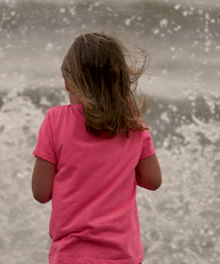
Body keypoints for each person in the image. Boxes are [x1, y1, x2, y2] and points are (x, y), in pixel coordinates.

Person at [31, 32, 162, 264]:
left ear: (70, 82)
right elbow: (153, 180)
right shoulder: (132, 122)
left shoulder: (55, 120)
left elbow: (41, 193)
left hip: (72, 255)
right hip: (124, 255)